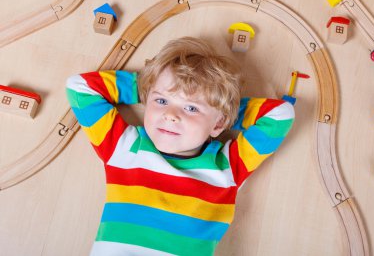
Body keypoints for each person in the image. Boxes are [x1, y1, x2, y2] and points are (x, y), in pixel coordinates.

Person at [66, 36, 295, 256]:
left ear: (219, 123)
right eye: (162, 101)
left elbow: (280, 115)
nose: (170, 115)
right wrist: (149, 86)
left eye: (191, 108)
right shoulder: (124, 147)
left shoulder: (227, 168)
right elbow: (79, 87)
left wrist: (222, 113)